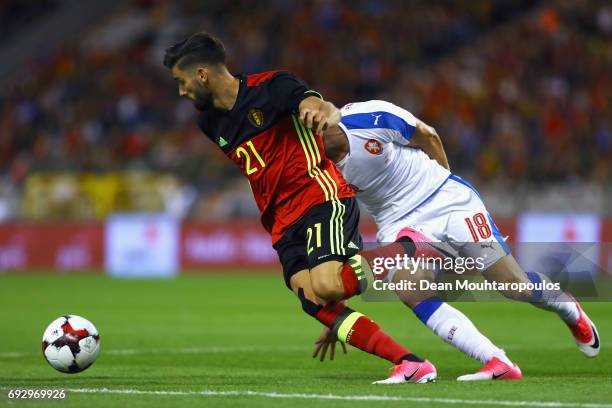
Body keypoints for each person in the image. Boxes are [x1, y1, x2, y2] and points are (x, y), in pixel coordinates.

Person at [163, 33, 436, 384]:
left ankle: (409, 250)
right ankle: (411, 364)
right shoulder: (209, 122)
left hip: (318, 197)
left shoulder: (272, 87)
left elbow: (316, 104)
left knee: (327, 285)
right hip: (279, 220)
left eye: (181, 81)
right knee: (315, 300)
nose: (181, 91)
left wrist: (314, 108)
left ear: (201, 74)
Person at [315, 99, 600, 381]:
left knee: (515, 287)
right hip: (397, 222)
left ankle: (568, 307)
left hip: (445, 198)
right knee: (410, 289)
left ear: (324, 121)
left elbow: (428, 136)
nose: (306, 146)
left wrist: (445, 184)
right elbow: (342, 228)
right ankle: (497, 361)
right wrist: (340, 312)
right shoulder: (316, 170)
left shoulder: (369, 116)